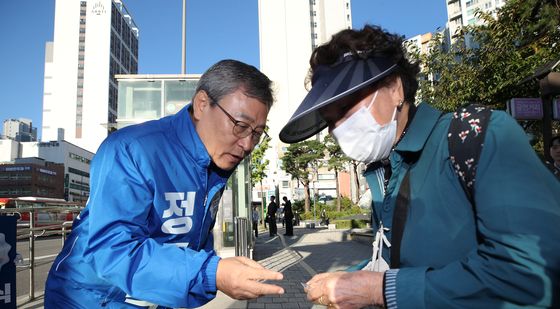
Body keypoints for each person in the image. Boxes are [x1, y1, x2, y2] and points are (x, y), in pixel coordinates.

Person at [279, 25, 560, 308]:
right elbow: (397, 260)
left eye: (346, 108)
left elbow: (532, 275)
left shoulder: (479, 136)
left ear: (395, 88)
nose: (338, 128)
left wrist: (381, 291)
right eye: (330, 120)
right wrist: (351, 279)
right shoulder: (383, 170)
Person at [45, 60, 285, 308]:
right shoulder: (132, 149)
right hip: (91, 300)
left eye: (256, 133)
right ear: (202, 104)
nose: (247, 144)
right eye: (240, 126)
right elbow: (111, 249)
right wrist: (211, 273)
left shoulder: (214, 164)